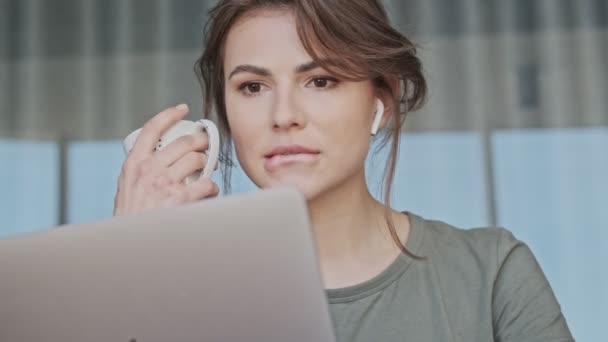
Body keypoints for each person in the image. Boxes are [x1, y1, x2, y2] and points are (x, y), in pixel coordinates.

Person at [113, 0, 574, 341]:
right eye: (252, 86)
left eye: (321, 80)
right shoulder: (179, 293)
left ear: (381, 100)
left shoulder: (490, 275)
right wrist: (129, 271)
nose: (284, 114)